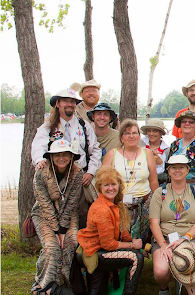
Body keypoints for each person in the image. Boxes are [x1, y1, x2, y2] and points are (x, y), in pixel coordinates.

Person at [31, 88, 101, 228]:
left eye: (72, 102)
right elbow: (38, 147)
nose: (70, 104)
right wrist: (40, 160)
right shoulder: (48, 127)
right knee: (56, 213)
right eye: (66, 101)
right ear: (58, 104)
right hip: (58, 179)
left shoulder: (84, 125)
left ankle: (80, 246)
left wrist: (90, 172)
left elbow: (95, 150)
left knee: (82, 213)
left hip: (81, 177)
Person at [77, 166, 144, 295]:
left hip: (100, 249)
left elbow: (122, 233)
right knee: (135, 257)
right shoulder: (101, 209)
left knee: (97, 292)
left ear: (119, 185)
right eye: (106, 185)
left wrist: (135, 244)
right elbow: (108, 245)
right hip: (94, 251)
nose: (110, 188)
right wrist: (132, 246)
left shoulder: (116, 204)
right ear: (100, 188)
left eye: (113, 184)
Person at [149, 155, 195, 295]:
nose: (177, 171)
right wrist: (163, 244)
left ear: (187, 170)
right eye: (173, 167)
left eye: (181, 167)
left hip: (189, 237)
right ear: (168, 171)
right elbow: (154, 223)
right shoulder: (160, 193)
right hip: (164, 238)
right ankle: (164, 289)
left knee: (187, 261)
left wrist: (185, 238)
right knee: (160, 271)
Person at [31, 140, 83, 295]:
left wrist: (63, 228)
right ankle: (44, 284)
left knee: (70, 242)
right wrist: (56, 230)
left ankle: (66, 281)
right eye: (57, 155)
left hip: (68, 214)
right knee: (52, 247)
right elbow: (44, 203)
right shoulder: (41, 173)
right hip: (43, 214)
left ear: (71, 156)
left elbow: (73, 201)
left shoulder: (77, 172)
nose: (62, 158)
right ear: (51, 157)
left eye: (65, 154)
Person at [102, 119, 158, 241]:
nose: (131, 136)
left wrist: (158, 200)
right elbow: (103, 182)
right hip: (120, 202)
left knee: (143, 236)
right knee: (122, 235)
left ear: (139, 136)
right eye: (127, 133)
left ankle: (143, 249)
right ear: (121, 137)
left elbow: (153, 180)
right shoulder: (112, 154)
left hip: (144, 201)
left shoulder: (147, 153)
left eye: (134, 133)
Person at [140, 118, 170, 183]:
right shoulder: (140, 144)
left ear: (161, 133)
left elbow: (168, 173)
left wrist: (160, 163)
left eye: (155, 131)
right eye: (149, 131)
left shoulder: (167, 150)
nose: (151, 134)